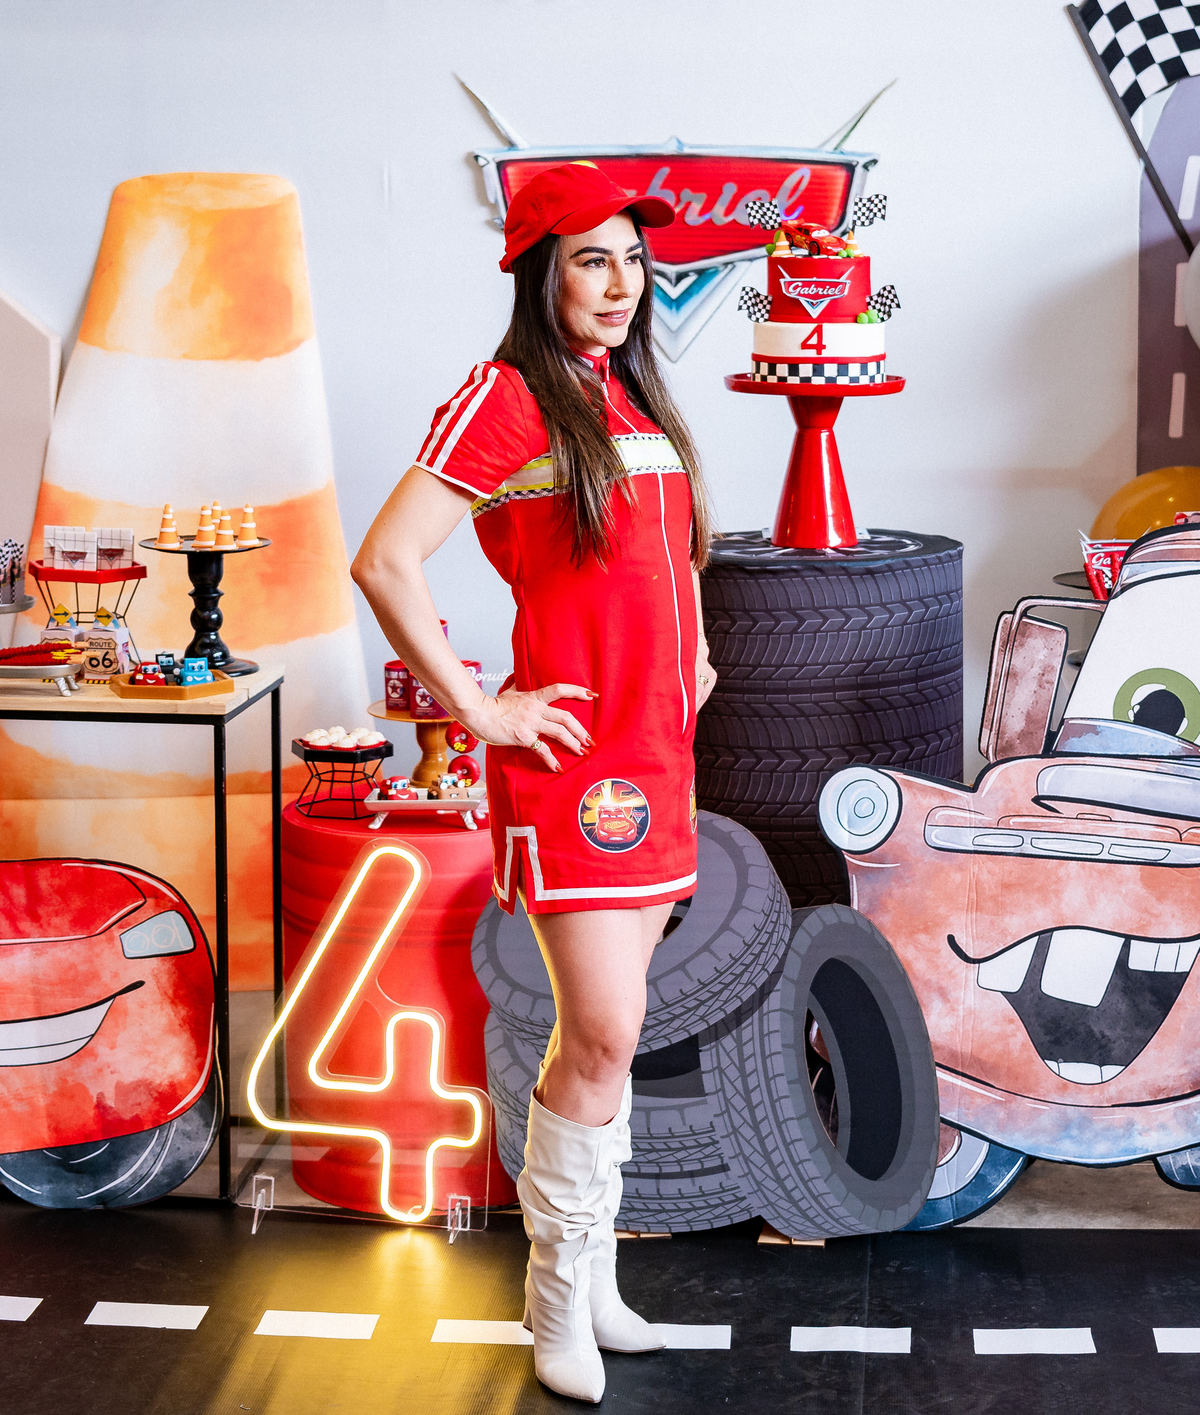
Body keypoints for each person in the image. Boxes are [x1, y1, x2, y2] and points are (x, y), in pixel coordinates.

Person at [352, 161, 716, 1404]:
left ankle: (595, 1278)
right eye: (590, 260)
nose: (621, 284)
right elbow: (385, 560)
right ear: (537, 274)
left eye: (633, 259)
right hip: (575, 767)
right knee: (602, 1031)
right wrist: (480, 709)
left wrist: (696, 654)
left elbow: (668, 556)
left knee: (613, 1035)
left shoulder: (629, 392)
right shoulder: (505, 398)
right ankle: (555, 1291)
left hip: (655, 754)